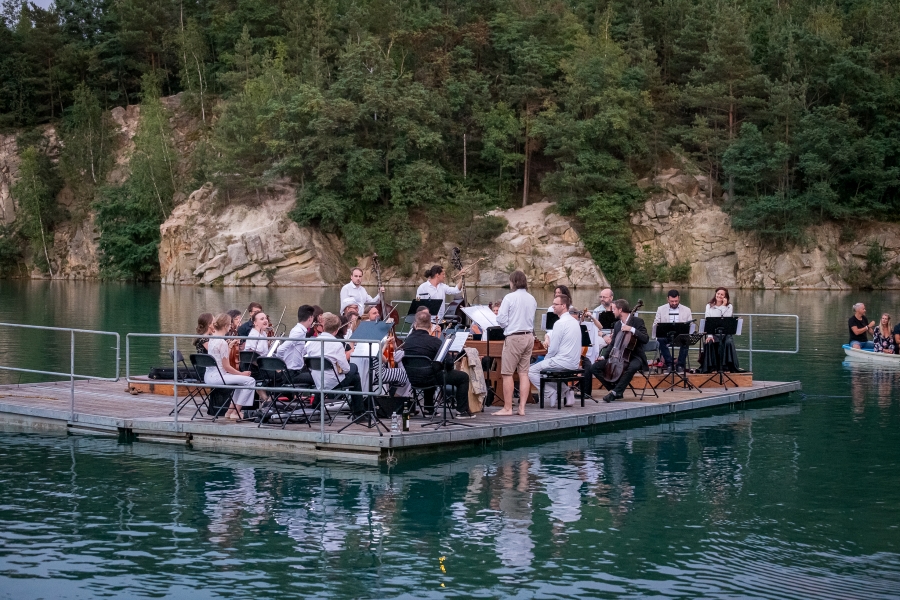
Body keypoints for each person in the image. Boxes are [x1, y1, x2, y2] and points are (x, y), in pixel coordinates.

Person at [401, 307, 475, 418]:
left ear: (415, 325)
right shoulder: (434, 341)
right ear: (430, 326)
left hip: (412, 377)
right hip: (430, 377)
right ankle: (462, 411)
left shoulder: (408, 341)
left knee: (429, 368)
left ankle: (428, 409)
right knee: (463, 377)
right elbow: (449, 362)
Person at [495, 271, 538, 416]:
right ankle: (522, 408)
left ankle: (507, 408)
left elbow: (500, 319)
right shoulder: (532, 298)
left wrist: (507, 325)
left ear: (513, 282)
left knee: (507, 373)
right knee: (523, 373)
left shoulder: (509, 297)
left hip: (514, 337)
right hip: (529, 336)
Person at [528, 294, 582, 408]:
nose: (553, 306)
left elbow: (553, 348)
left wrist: (547, 360)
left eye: (555, 304)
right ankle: (567, 391)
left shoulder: (560, 323)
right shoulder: (574, 322)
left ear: (563, 306)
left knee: (531, 371)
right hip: (574, 362)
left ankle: (551, 393)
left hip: (562, 361)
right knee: (544, 371)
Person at [304, 312, 364, 412]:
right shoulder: (337, 344)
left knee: (323, 371)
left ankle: (316, 404)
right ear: (336, 331)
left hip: (316, 379)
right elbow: (346, 369)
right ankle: (359, 412)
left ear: (323, 328)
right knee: (354, 372)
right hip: (331, 382)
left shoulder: (312, 342)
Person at [592, 299, 649, 402]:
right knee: (595, 367)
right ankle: (615, 389)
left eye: (614, 309)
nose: (612, 311)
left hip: (635, 356)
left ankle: (616, 392)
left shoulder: (637, 322)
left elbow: (645, 339)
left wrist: (632, 329)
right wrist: (604, 356)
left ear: (620, 310)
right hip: (618, 356)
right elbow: (613, 343)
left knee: (632, 367)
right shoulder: (618, 324)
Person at [205, 313, 256, 419]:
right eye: (229, 325)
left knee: (241, 382)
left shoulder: (212, 339)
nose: (230, 327)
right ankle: (236, 412)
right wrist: (242, 374)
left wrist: (229, 346)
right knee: (250, 381)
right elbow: (226, 367)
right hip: (218, 376)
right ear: (225, 326)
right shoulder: (221, 342)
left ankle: (230, 412)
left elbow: (220, 358)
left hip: (208, 375)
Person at [699, 287, 741, 372]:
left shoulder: (729, 306)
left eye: (722, 294)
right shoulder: (709, 306)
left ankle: (726, 366)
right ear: (715, 294)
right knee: (709, 342)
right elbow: (709, 320)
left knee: (728, 342)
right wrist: (710, 335)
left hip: (725, 333)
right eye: (718, 293)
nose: (719, 296)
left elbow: (726, 320)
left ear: (725, 296)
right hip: (713, 332)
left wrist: (723, 306)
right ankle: (711, 367)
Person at [274, 304, 316, 386]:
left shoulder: (299, 330)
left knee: (316, 374)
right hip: (292, 373)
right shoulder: (298, 332)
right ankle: (318, 398)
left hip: (294, 371)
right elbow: (280, 349)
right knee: (320, 378)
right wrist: (280, 366)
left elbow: (299, 350)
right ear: (310, 318)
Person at [653, 289, 692, 372]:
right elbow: (656, 324)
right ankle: (669, 364)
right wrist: (657, 334)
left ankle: (680, 365)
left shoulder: (687, 310)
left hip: (680, 337)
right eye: (672, 301)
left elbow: (691, 326)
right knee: (660, 340)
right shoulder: (661, 309)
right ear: (668, 299)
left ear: (679, 298)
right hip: (666, 336)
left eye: (676, 301)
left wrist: (689, 333)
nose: (674, 303)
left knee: (686, 340)